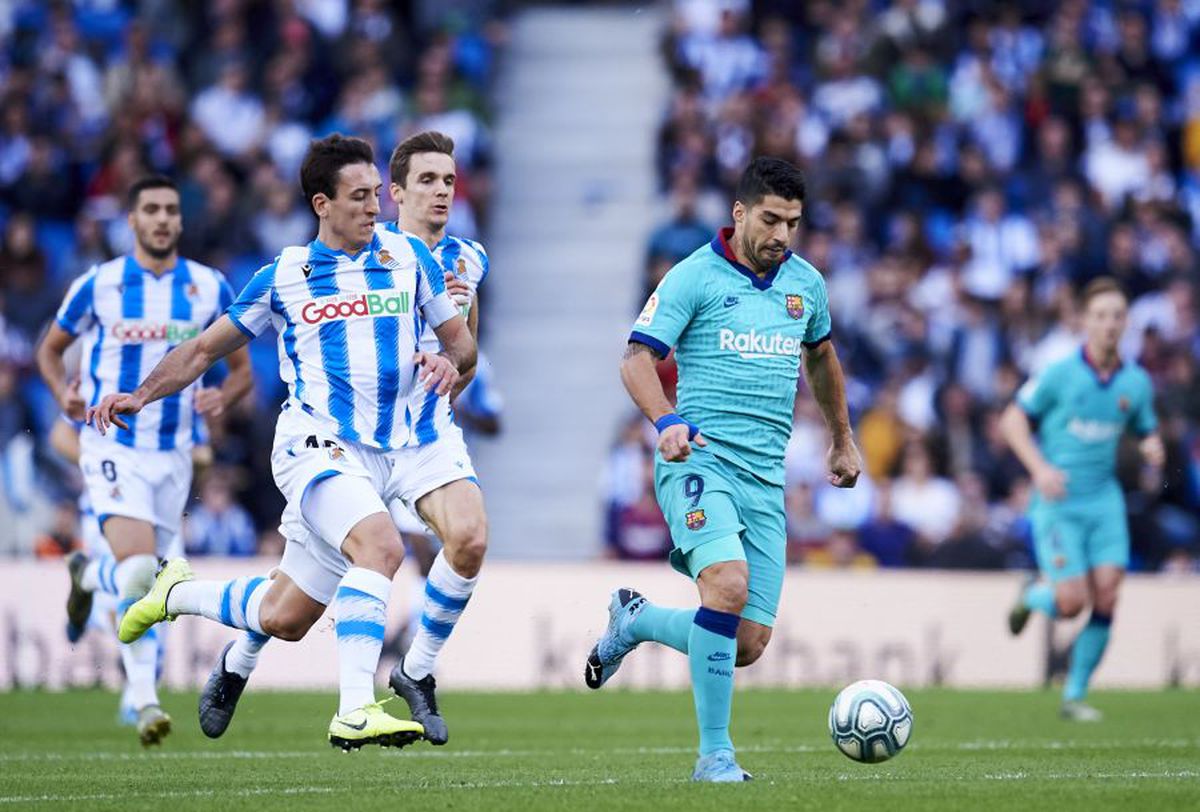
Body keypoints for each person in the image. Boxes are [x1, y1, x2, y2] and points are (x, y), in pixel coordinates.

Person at [88, 134, 475, 751]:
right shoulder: (285, 276)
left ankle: (176, 593)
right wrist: (139, 394)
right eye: (359, 196)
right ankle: (354, 708)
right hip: (317, 446)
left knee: (284, 617)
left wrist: (452, 363)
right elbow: (200, 351)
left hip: (398, 449)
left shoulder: (409, 258)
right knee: (380, 547)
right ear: (322, 204)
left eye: (377, 194)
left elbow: (462, 343)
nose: (374, 207)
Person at [196, 130, 493, 747]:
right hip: (338, 438)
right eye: (428, 182)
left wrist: (448, 379)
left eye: (449, 181)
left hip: (419, 435)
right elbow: (212, 343)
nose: (442, 193)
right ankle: (242, 662)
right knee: (294, 608)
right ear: (396, 191)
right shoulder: (380, 251)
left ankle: (415, 672)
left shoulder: (467, 259)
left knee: (465, 538)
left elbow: (465, 350)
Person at [585, 157, 861, 781]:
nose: (782, 235)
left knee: (746, 643)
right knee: (727, 587)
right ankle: (716, 757)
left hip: (765, 480)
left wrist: (842, 439)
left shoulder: (806, 285)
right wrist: (665, 421)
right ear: (739, 213)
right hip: (698, 461)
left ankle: (637, 620)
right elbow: (636, 360)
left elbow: (821, 359)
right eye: (771, 219)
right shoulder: (693, 277)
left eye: (793, 222)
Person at [36, 175, 252, 747]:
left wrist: (220, 398)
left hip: (174, 455)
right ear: (131, 220)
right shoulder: (99, 284)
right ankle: (146, 699)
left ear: (181, 221)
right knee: (138, 572)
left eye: (170, 210)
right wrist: (63, 395)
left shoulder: (209, 286)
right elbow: (49, 351)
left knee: (149, 584)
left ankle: (87, 574)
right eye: (151, 209)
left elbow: (243, 373)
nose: (161, 219)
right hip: (113, 446)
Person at [1001, 276, 1163, 722]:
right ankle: (1033, 596)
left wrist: (1152, 446)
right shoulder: (1059, 373)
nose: (1109, 324)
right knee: (1070, 603)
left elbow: (1145, 428)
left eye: (1116, 316)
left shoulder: (1136, 382)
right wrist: (1039, 469)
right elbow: (1012, 421)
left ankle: (1073, 694)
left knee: (1108, 595)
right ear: (1085, 322)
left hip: (1104, 501)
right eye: (1100, 316)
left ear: (1126, 322)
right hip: (1059, 502)